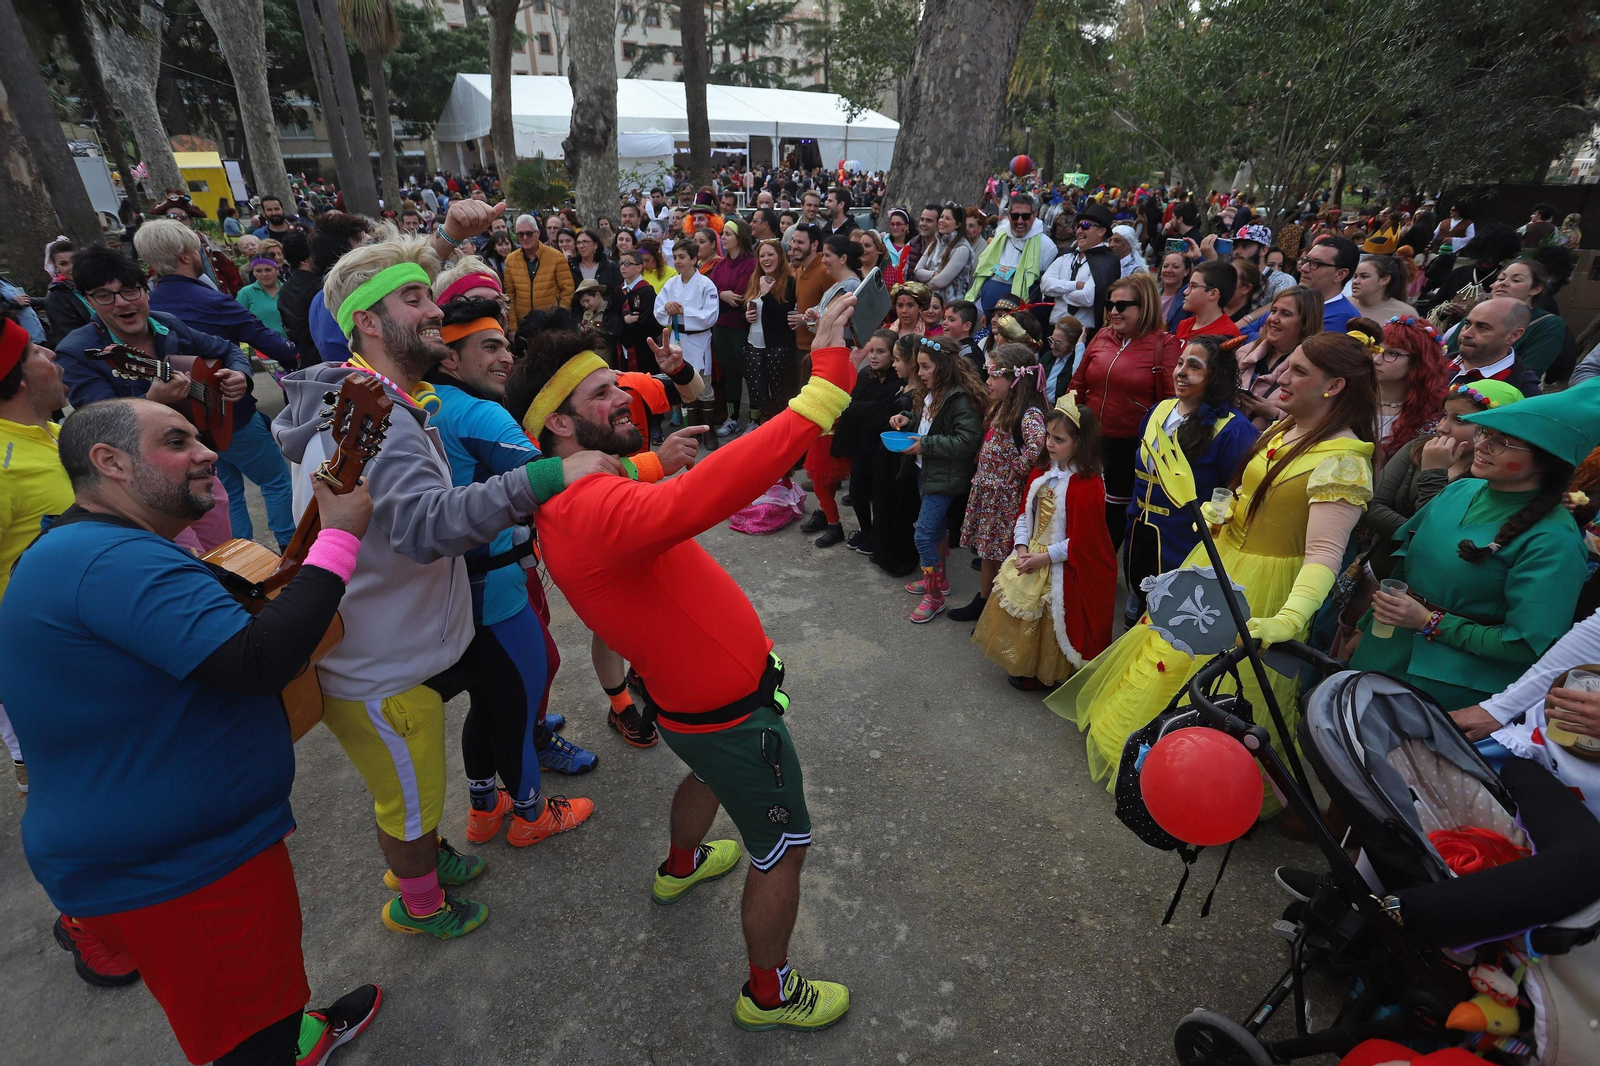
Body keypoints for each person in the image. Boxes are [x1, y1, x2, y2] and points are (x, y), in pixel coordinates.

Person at [499, 295, 861, 1034]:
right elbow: (704, 493)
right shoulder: (592, 508)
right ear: (559, 424)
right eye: (601, 392)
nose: (621, 395)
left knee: (704, 776)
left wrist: (651, 454)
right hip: (728, 716)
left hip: (693, 708)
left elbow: (647, 448)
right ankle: (768, 995)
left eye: (615, 382)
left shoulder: (570, 487)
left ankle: (680, 867)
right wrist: (821, 391)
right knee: (783, 849)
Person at [0, 396, 381, 1065]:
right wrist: (340, 539)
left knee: (255, 1009)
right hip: (185, 873)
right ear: (111, 462)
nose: (208, 452)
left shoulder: (83, 547)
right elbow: (257, 661)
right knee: (250, 1040)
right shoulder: (111, 560)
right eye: (177, 442)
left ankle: (291, 1033)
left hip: (161, 850)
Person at [272, 233, 620, 939]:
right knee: (408, 801)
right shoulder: (373, 415)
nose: (434, 310)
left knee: (418, 788)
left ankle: (427, 859)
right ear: (368, 323)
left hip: (394, 650)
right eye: (413, 298)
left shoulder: (372, 400)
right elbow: (426, 526)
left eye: (428, 294)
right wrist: (549, 474)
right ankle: (419, 903)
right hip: (379, 665)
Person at [1050, 327, 1379, 802]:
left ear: (1335, 386)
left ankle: (1199, 788)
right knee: (1173, 656)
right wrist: (1224, 510)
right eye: (1288, 365)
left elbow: (1325, 553)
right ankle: (1153, 757)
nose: (1280, 376)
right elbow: (1251, 494)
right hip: (1219, 560)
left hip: (1265, 588)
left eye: (1298, 371)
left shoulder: (1343, 460)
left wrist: (1289, 618)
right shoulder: (1287, 427)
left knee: (1225, 685)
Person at [427, 298, 601, 848]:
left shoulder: (422, 402)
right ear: (450, 359)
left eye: (506, 344)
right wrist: (646, 467)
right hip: (496, 588)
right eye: (490, 346)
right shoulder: (480, 414)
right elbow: (555, 480)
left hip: (452, 585)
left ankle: (484, 810)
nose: (507, 356)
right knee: (520, 706)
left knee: (485, 704)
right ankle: (531, 816)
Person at [1351, 383, 1592, 710]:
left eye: (1500, 443)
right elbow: (1404, 568)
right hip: (1381, 652)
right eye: (1484, 434)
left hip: (1446, 690)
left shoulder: (1554, 540)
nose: (1481, 446)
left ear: (1546, 461)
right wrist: (1363, 629)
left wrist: (1430, 621)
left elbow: (1525, 644)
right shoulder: (1458, 491)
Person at [52, 244, 250, 555]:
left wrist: (240, 375)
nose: (121, 303)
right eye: (104, 295)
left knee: (224, 545)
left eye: (130, 291)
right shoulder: (78, 351)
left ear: (147, 291)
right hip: (141, 483)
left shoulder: (167, 324)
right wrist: (152, 400)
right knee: (187, 554)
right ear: (88, 301)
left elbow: (228, 349)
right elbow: (97, 427)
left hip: (194, 463)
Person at [133, 220, 299, 548]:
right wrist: (295, 351)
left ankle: (240, 555)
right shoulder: (212, 300)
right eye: (197, 250)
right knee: (276, 480)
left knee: (226, 492)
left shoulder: (149, 305)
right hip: (231, 414)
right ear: (184, 256)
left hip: (184, 422)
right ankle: (289, 547)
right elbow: (267, 341)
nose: (202, 256)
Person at [973, 391, 1116, 689]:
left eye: (1059, 439)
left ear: (1079, 444)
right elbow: (1025, 514)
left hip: (1061, 561)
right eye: (1049, 435)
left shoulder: (1088, 485)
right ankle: (1025, 664)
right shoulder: (1042, 470)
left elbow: (1084, 541)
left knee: (1052, 618)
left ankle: (1046, 672)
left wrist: (1043, 558)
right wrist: (1021, 547)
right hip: (1032, 552)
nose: (1049, 443)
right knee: (1023, 611)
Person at [1123, 335, 1259, 623]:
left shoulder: (1233, 430)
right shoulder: (1159, 410)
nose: (1181, 372)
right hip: (1139, 539)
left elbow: (1239, 496)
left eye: (1194, 366)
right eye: (1180, 363)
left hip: (1186, 548)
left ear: (1215, 376)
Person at [0, 317, 71, 803]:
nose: (52, 356)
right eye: (36, 351)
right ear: (19, 376)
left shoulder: (52, 433)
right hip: (49, 666)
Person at [1363, 380, 1524, 582]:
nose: (1442, 427)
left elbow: (1440, 533)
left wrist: (1434, 472)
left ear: (1494, 430)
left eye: (1461, 420)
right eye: (1445, 415)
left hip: (1431, 585)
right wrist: (1416, 535)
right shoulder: (1418, 449)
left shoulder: (1489, 477)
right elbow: (1372, 506)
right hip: (1377, 572)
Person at [1066, 271, 1181, 546]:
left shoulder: (1164, 344)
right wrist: (1065, 425)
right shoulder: (1102, 336)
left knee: (1111, 521)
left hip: (1129, 447)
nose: (1113, 312)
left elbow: (1171, 403)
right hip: (1090, 439)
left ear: (1145, 306)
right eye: (1110, 305)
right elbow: (1078, 384)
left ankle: (1099, 568)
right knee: (1078, 509)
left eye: (1121, 305)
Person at [944, 342, 1049, 622]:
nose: (988, 381)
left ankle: (1000, 610)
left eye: (994, 375)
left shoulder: (1029, 413)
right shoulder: (1003, 406)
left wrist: (1018, 468)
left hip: (1006, 498)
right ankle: (983, 600)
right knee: (988, 552)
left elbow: (1038, 444)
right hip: (990, 492)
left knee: (1003, 554)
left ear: (1015, 379)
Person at [888, 336, 986, 623]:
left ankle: (934, 596)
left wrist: (926, 445)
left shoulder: (959, 399)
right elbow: (926, 422)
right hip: (926, 471)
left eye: (926, 367)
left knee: (923, 534)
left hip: (944, 478)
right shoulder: (930, 392)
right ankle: (939, 580)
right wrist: (906, 419)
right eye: (919, 366)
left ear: (943, 367)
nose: (920, 373)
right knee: (938, 529)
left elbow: (967, 440)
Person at [798, 234, 863, 546]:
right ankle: (826, 511)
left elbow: (841, 328)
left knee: (823, 452)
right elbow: (823, 321)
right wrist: (815, 317)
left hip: (834, 370)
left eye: (827, 255)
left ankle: (832, 519)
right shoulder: (838, 286)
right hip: (827, 364)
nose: (822, 260)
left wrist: (818, 320)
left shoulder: (851, 288)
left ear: (843, 258)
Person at [830, 329, 900, 556]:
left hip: (882, 447)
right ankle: (865, 529)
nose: (874, 356)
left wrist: (862, 409)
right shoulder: (864, 375)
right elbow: (848, 405)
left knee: (879, 494)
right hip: (860, 442)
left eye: (881, 352)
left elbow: (884, 414)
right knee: (857, 491)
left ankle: (877, 534)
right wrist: (869, 408)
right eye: (871, 351)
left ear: (893, 355)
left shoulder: (897, 380)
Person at [1447, 259, 1567, 380]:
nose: (1503, 283)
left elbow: (1529, 371)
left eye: (1516, 280)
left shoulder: (1548, 324)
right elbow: (1448, 354)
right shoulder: (1477, 314)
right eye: (1500, 278)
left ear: (1536, 289)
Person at [655, 240, 721, 434]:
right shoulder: (671, 284)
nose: (677, 261)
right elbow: (658, 310)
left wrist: (684, 311)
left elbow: (710, 316)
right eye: (675, 257)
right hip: (678, 339)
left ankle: (708, 432)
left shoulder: (706, 284)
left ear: (693, 259)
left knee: (704, 385)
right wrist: (667, 307)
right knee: (684, 385)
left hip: (699, 339)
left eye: (682, 257)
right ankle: (691, 431)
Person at [1236, 285, 1323, 430]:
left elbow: (1313, 418)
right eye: (1273, 311)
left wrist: (1274, 414)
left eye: (1286, 314)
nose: (1273, 319)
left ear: (1305, 323)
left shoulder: (1313, 368)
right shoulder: (1244, 352)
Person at [1372, 315, 1449, 462]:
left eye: (1392, 353)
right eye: (1376, 348)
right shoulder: (1351, 399)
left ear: (1418, 363)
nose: (1376, 359)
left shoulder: (1431, 417)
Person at [968, 194, 1057, 316]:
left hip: (1020, 318)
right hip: (988, 314)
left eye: (1025, 216)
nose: (1020, 221)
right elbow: (985, 272)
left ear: (1035, 215)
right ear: (1009, 215)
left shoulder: (1047, 247)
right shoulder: (999, 238)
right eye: (1015, 216)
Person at [709, 220, 758, 436]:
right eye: (723, 233)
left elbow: (739, 297)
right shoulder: (720, 265)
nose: (723, 238)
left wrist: (720, 294)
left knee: (750, 374)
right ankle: (733, 418)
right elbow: (709, 291)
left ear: (740, 237)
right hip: (721, 327)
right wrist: (721, 294)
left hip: (741, 328)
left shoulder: (751, 264)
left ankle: (755, 418)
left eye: (728, 234)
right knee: (730, 374)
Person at [741, 237, 796, 430]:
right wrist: (746, 315)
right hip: (753, 345)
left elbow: (784, 315)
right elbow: (747, 308)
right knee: (757, 394)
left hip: (778, 346)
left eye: (770, 254)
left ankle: (779, 429)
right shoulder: (755, 280)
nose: (766, 259)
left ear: (780, 256)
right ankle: (772, 427)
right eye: (762, 255)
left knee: (780, 394)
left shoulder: (789, 282)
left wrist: (767, 295)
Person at [1041, 204, 1119, 335]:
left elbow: (1087, 297)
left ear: (1101, 231)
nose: (1079, 231)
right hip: (1053, 330)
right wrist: (1075, 285)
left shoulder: (1108, 261)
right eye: (1078, 226)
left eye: (1085, 226)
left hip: (1084, 335)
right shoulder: (1066, 255)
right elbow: (1045, 285)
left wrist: (1058, 291)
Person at [1447, 296, 1542, 395]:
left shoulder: (1522, 389)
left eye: (1482, 328)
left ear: (1513, 335)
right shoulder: (1441, 362)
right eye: (1467, 324)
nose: (1467, 334)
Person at [504, 213, 575, 326]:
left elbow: (568, 290)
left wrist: (560, 318)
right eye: (521, 234)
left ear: (537, 233)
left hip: (551, 323)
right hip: (524, 324)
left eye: (529, 233)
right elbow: (510, 295)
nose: (525, 238)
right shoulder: (510, 260)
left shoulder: (556, 257)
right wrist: (513, 326)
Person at [911, 204, 974, 305]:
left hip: (951, 305)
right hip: (929, 302)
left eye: (947, 218)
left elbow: (939, 282)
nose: (942, 221)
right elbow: (917, 271)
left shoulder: (962, 249)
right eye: (941, 217)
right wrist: (933, 274)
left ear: (958, 224)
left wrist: (924, 282)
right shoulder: (935, 243)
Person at [1297, 235, 1361, 334]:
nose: (1304, 268)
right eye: (1306, 260)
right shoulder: (1295, 302)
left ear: (1340, 274)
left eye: (1316, 263)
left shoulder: (1342, 319)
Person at [1174, 259, 1242, 342]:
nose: (1185, 292)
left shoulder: (1227, 334)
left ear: (1213, 294)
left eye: (1194, 286)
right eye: (1188, 286)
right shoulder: (1183, 325)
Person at [42, 237, 92, 348]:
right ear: (56, 266)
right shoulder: (56, 296)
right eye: (63, 264)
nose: (71, 268)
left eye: (74, 261)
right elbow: (70, 335)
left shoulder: (90, 284)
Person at [617, 250, 659, 375]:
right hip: (621, 346)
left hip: (642, 348)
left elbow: (647, 323)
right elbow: (609, 316)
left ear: (639, 267)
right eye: (621, 263)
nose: (622, 267)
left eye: (627, 263)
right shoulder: (618, 290)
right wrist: (623, 320)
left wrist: (626, 333)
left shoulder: (646, 291)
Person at [1349, 254, 1418, 324]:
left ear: (1384, 280)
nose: (1355, 281)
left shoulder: (1405, 313)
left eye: (1364, 276)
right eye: (1355, 276)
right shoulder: (1345, 304)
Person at [235, 257, 288, 338]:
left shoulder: (288, 290)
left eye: (268, 270)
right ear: (253, 273)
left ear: (277, 270)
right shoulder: (246, 293)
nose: (264, 274)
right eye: (258, 271)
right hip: (261, 343)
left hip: (292, 342)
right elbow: (238, 321)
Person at [1157, 251, 1192, 334]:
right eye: (1165, 266)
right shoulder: (1152, 295)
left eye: (1175, 267)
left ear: (1186, 271)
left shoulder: (1189, 298)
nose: (1169, 270)